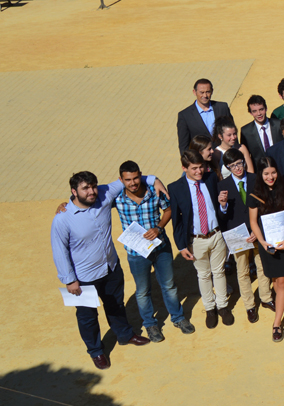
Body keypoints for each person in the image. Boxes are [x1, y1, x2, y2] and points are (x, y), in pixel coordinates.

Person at [52, 171, 165, 368]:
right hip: (83, 277)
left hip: (111, 268)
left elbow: (126, 180)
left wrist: (154, 180)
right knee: (87, 317)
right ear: (73, 191)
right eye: (85, 188)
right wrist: (69, 279)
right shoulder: (62, 218)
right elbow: (59, 250)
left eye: (93, 186)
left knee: (116, 305)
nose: (91, 191)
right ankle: (96, 351)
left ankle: (125, 335)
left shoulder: (103, 193)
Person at [111, 161, 188, 345]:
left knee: (168, 285)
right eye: (128, 180)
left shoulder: (154, 191)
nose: (133, 183)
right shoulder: (117, 199)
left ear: (141, 175)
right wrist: (66, 204)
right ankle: (150, 324)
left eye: (136, 178)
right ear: (121, 180)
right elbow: (91, 199)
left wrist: (159, 228)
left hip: (160, 248)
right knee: (143, 291)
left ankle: (177, 318)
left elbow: (168, 210)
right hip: (136, 253)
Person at [168, 149, 232, 329]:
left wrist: (223, 205)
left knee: (219, 272)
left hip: (216, 234)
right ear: (184, 168)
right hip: (196, 240)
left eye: (201, 167)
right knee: (203, 275)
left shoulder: (211, 179)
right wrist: (181, 245)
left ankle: (223, 306)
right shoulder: (175, 188)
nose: (199, 172)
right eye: (194, 168)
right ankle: (210, 309)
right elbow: (177, 221)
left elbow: (219, 207)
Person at [217, 148, 275, 323]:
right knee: (242, 272)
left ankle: (266, 298)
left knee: (262, 266)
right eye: (232, 165)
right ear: (227, 167)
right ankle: (250, 306)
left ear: (244, 161)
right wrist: (223, 205)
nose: (237, 168)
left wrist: (255, 230)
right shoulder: (222, 186)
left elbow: (264, 206)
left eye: (239, 163)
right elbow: (222, 217)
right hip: (237, 235)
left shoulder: (256, 179)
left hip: (256, 230)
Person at [247, 156, 284, 341]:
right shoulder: (254, 193)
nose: (271, 177)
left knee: (283, 282)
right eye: (266, 173)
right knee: (277, 282)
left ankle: (277, 323)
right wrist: (261, 242)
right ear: (260, 174)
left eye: (273, 172)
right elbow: (253, 222)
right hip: (267, 245)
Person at [177, 78, 233, 154]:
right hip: (202, 161)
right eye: (201, 92)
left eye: (208, 92)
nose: (205, 95)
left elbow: (232, 131)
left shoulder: (222, 107)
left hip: (225, 156)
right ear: (194, 92)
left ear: (212, 91)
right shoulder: (185, 115)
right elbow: (184, 145)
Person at [241, 95, 282, 165]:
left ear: (266, 108)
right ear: (250, 113)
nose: (259, 114)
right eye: (254, 111)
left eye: (261, 109)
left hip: (280, 166)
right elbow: (245, 155)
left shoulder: (278, 125)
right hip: (259, 171)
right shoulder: (246, 132)